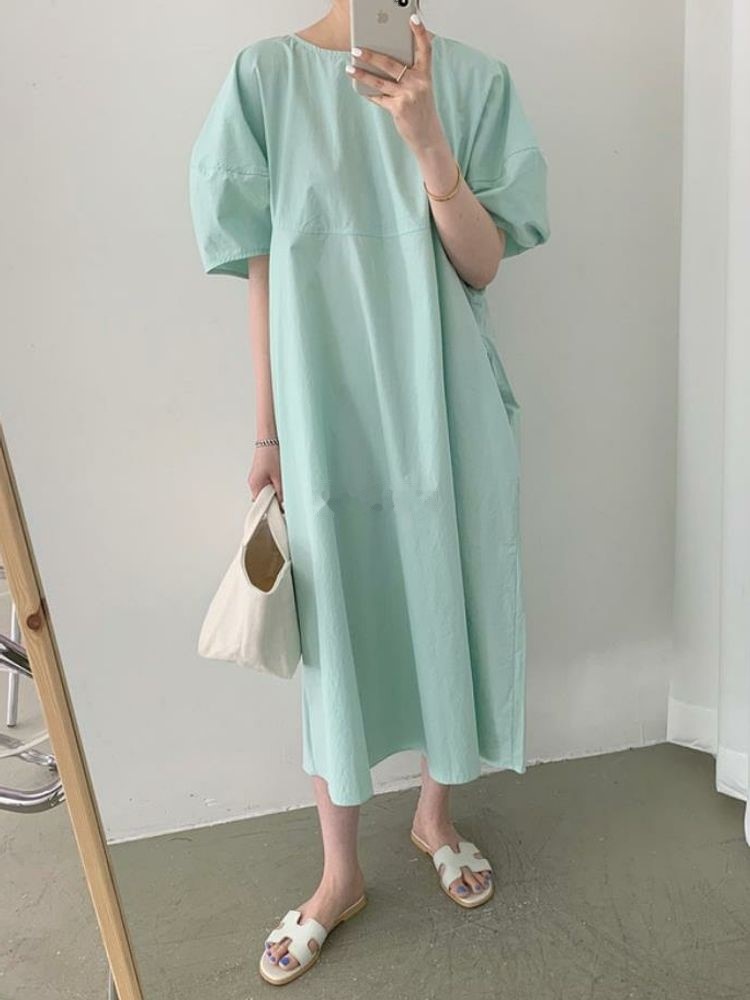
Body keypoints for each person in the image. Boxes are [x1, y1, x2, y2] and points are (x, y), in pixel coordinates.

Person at [189, 0, 550, 986]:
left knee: (447, 598)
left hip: (447, 403)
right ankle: (338, 872)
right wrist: (266, 431)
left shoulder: (473, 82)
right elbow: (263, 267)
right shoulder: (264, 79)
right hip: (324, 408)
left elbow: (482, 264)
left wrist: (426, 137)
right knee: (335, 631)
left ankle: (435, 816)